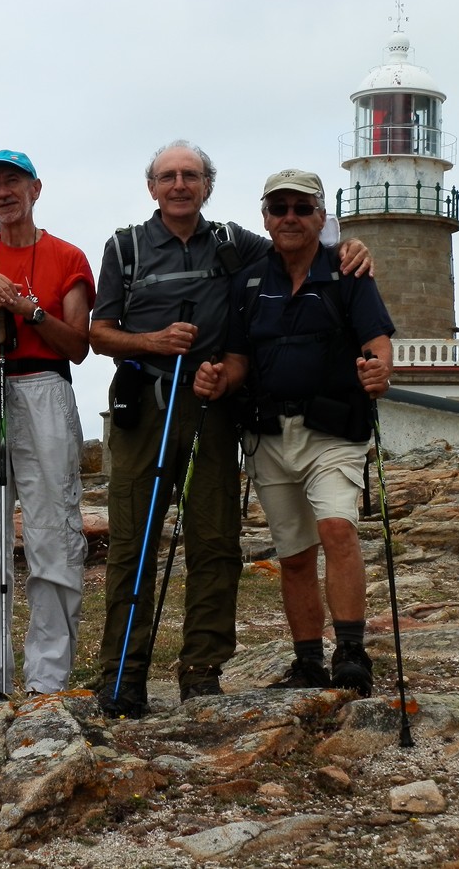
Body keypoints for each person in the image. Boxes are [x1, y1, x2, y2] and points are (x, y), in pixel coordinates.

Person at [89, 142, 372, 717]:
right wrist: (152, 342)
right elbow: (99, 332)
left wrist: (348, 247)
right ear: (152, 187)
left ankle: (201, 672)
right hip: (143, 405)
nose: (179, 185)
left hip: (213, 405)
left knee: (214, 542)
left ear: (207, 185)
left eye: (190, 175)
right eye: (168, 176)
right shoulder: (125, 247)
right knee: (133, 542)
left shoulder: (233, 242)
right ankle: (122, 674)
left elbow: (297, 247)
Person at [195, 169, 394, 697]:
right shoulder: (249, 282)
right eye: (279, 208)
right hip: (267, 435)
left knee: (337, 530)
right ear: (265, 217)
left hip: (334, 430)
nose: (290, 218)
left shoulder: (348, 273)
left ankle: (350, 653)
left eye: (302, 208)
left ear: (320, 217)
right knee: (295, 552)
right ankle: (308, 661)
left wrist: (379, 370)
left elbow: (377, 341)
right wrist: (219, 379)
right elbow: (238, 359)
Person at [0, 150, 94, 705]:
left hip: (44, 385)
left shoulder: (68, 256)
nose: (3, 192)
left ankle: (46, 677)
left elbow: (77, 345)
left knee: (53, 529)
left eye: (13, 181)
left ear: (36, 189)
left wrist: (28, 310)